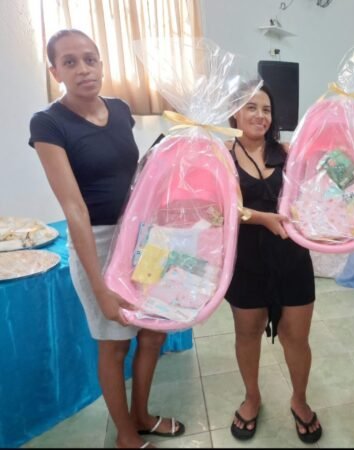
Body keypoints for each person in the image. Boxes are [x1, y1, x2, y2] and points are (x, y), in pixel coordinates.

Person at [29, 29, 185, 449]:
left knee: (153, 333)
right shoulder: (48, 123)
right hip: (97, 243)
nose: (83, 69)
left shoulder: (119, 109)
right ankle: (125, 435)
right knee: (115, 345)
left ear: (101, 62)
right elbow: (75, 210)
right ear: (55, 71)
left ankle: (142, 415)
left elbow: (134, 176)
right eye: (70, 62)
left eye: (90, 59)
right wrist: (100, 288)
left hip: (141, 238)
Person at [224, 84, 322, 444]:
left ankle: (299, 399)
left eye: (266, 109)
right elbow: (224, 208)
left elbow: (322, 191)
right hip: (245, 262)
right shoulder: (222, 156)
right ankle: (252, 397)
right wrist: (263, 218)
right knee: (247, 333)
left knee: (296, 337)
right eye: (251, 107)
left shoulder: (288, 152)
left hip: (292, 259)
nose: (260, 115)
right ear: (235, 113)